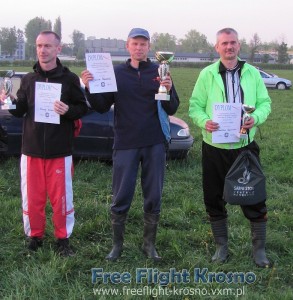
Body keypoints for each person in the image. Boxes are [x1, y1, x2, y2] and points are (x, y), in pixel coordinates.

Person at [81, 27, 179, 261]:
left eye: (143, 44)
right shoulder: (114, 73)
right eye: (134, 43)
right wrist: (89, 87)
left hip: (154, 142)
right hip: (125, 142)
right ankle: (117, 246)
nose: (139, 47)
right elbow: (102, 106)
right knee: (121, 195)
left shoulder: (160, 71)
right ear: (127, 46)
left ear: (149, 47)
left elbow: (172, 108)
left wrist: (168, 87)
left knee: (153, 194)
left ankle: (149, 245)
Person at [189, 28, 271, 267]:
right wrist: (205, 122)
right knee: (213, 198)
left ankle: (259, 250)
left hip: (244, 146)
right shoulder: (207, 74)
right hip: (214, 147)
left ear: (239, 45)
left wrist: (256, 118)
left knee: (254, 197)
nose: (229, 47)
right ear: (217, 47)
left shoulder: (253, 73)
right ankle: (221, 248)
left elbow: (265, 103)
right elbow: (195, 106)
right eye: (224, 43)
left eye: (233, 42)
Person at [2, 31, 88, 256]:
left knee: (61, 198)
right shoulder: (29, 80)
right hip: (31, 151)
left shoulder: (69, 79)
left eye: (48, 46)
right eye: (39, 45)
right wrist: (10, 100)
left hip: (60, 150)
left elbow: (83, 107)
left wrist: (68, 110)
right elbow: (20, 110)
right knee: (33, 197)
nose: (43, 50)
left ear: (58, 49)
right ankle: (35, 236)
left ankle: (63, 239)